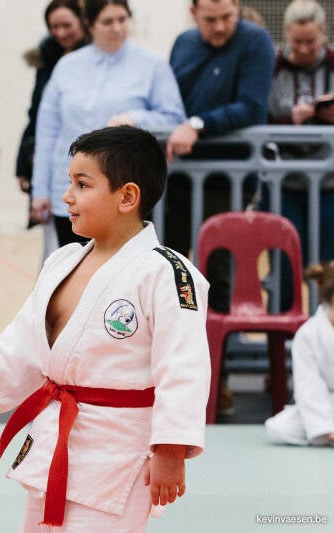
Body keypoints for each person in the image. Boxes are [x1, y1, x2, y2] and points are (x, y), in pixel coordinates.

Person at [0, 126, 211, 531]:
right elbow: (21, 345)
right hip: (55, 439)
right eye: (69, 183)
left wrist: (170, 447)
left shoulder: (168, 273)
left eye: (82, 184)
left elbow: (184, 366)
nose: (67, 196)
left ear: (127, 197)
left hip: (118, 452)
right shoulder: (62, 262)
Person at [165, 0, 274, 415]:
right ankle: (167, 379)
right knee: (167, 276)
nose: (220, 27)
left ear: (238, 9)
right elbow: (169, 104)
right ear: (193, 12)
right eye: (210, 19)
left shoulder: (255, 41)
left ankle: (218, 381)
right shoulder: (183, 44)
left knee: (218, 280)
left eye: (228, 17)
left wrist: (197, 125)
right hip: (176, 179)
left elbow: (252, 106)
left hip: (226, 180)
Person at [30, 0, 185, 248]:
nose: (117, 28)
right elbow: (47, 131)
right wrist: (40, 190)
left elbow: (174, 117)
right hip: (70, 187)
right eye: (107, 22)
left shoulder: (153, 65)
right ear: (89, 25)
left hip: (123, 192)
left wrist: (135, 118)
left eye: (122, 19)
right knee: (75, 262)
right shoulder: (67, 66)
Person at [264, 0, 334, 311]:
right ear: (286, 35)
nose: (304, 49)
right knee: (284, 264)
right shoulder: (272, 66)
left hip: (330, 183)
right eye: (297, 42)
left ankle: (327, 331)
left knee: (328, 266)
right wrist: (289, 119)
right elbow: (259, 113)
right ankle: (282, 332)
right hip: (284, 183)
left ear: (323, 35)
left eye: (310, 41)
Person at [17, 0, 87, 265]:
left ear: (82, 22)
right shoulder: (47, 58)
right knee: (53, 248)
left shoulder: (90, 60)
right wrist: (23, 165)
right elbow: (37, 115)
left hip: (77, 157)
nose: (60, 32)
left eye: (66, 25)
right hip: (48, 158)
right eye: (54, 27)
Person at [265, 260, 334, 447]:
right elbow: (309, 385)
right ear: (329, 299)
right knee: (279, 428)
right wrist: (326, 430)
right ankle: (323, 432)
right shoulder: (308, 334)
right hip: (325, 405)